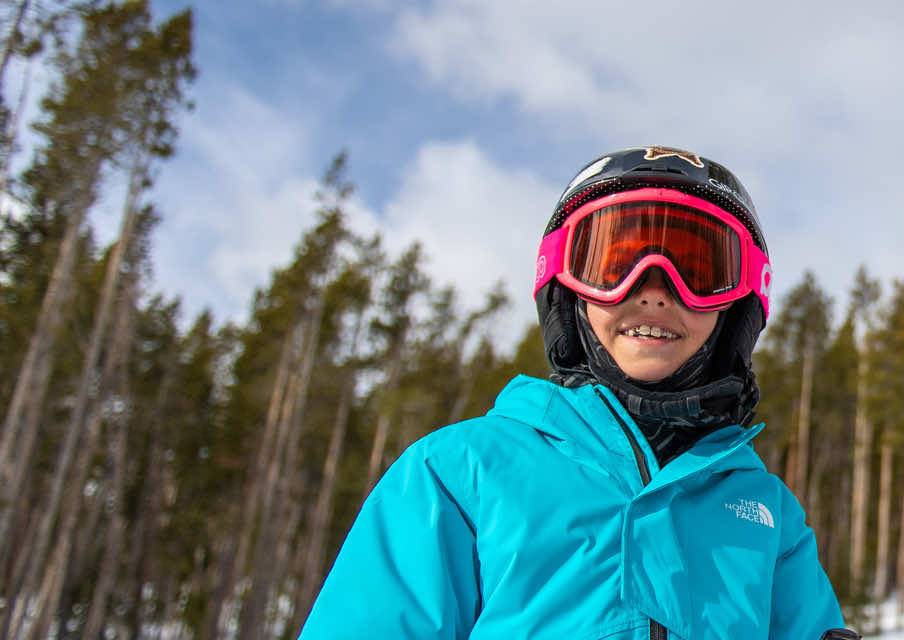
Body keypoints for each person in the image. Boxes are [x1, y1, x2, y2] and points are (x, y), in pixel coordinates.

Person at [303, 146, 857, 639]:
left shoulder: (767, 512)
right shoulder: (458, 472)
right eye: (615, 263)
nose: (655, 291)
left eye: (697, 268)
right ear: (568, 289)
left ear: (736, 307)